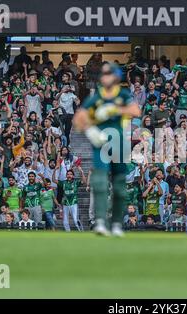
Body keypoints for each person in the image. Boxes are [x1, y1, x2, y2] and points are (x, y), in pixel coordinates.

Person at [73, 63, 141, 237]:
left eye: (108, 74)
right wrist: (89, 128)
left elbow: (136, 110)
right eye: (103, 74)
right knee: (100, 182)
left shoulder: (123, 94)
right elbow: (78, 118)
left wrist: (113, 110)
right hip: (101, 143)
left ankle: (117, 223)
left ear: (116, 77)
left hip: (119, 143)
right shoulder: (97, 97)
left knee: (119, 186)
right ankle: (100, 222)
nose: (105, 77)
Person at [53, 167, 86, 232]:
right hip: (65, 204)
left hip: (74, 204)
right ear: (66, 175)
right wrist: (54, 171)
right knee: (65, 221)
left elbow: (84, 181)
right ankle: (68, 233)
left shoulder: (76, 182)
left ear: (73, 176)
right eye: (68, 174)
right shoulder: (63, 183)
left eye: (70, 174)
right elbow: (54, 180)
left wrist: (82, 172)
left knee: (76, 220)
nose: (69, 175)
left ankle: (81, 231)